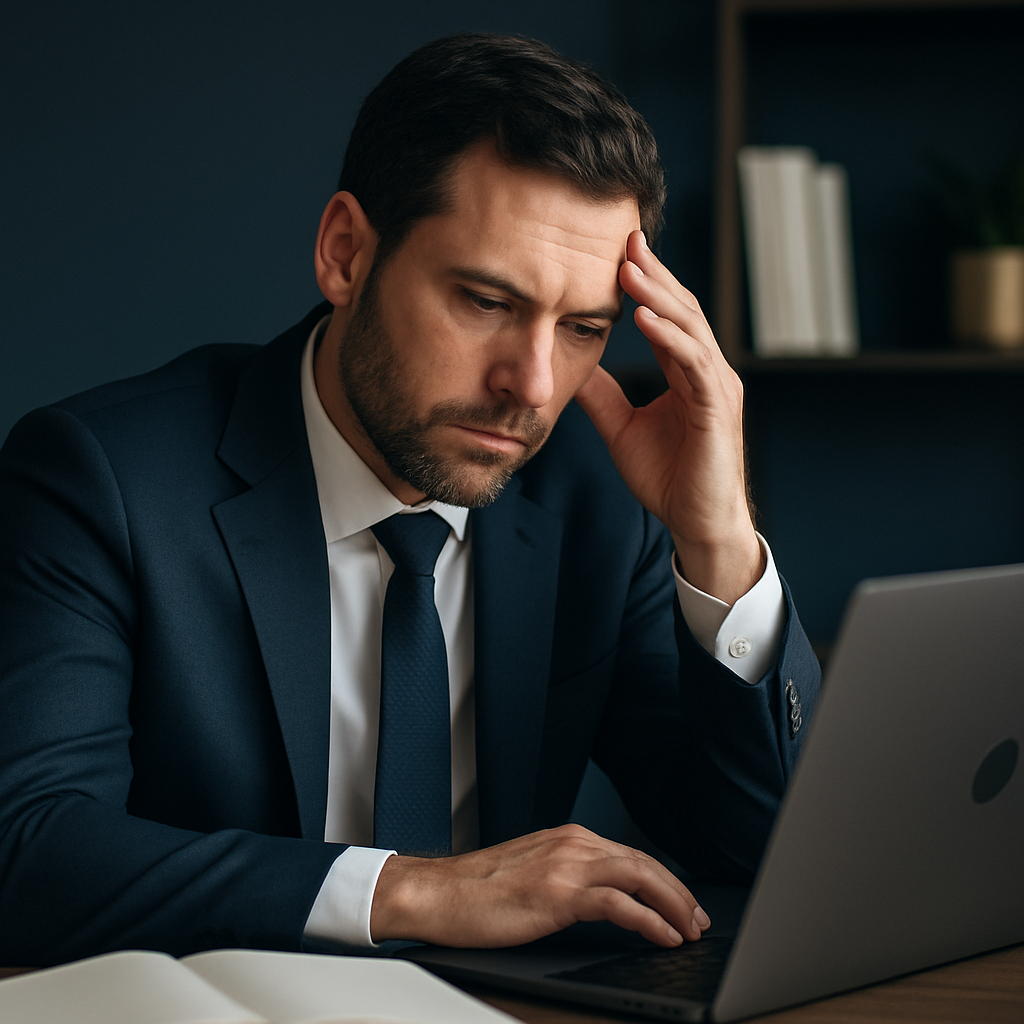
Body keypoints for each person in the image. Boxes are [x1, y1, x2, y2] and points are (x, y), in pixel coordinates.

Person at [0, 33, 819, 968]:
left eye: (585, 327)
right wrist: (414, 890)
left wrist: (719, 539)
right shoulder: (102, 477)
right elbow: (28, 849)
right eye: (484, 301)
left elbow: (758, 857)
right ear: (346, 253)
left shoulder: (602, 503)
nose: (533, 385)